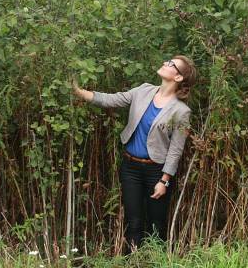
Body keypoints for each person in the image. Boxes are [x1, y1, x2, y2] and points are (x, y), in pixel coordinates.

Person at [72, 55, 197, 254]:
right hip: (130, 167)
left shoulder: (181, 111)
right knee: (134, 219)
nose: (165, 63)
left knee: (156, 222)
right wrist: (79, 92)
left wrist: (164, 181)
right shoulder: (143, 90)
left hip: (156, 171)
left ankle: (157, 259)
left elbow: (176, 150)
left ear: (179, 78)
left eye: (172, 64)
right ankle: (133, 259)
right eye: (167, 60)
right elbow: (112, 99)